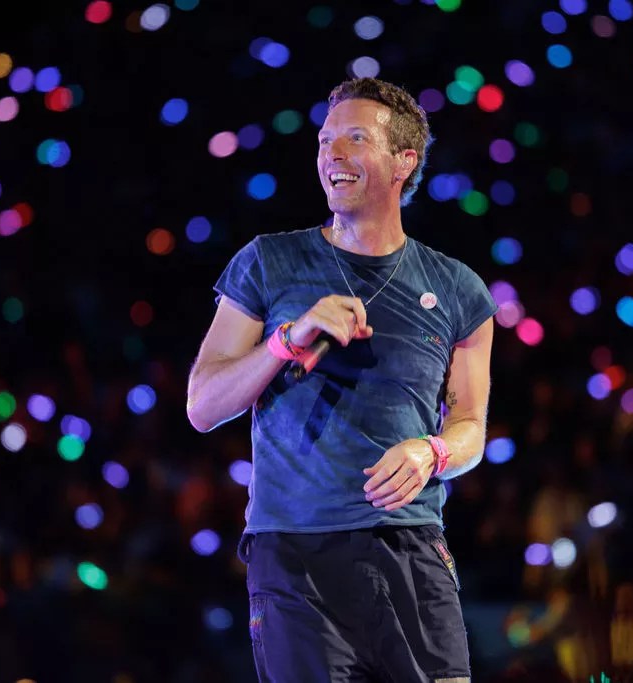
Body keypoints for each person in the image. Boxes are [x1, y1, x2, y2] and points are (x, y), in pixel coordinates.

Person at [186, 77, 497, 683]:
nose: (332, 153)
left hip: (409, 548)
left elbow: (470, 430)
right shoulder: (268, 261)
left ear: (403, 161)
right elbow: (202, 404)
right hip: (296, 553)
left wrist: (431, 451)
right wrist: (285, 340)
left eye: (355, 138)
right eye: (326, 140)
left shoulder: (459, 290)